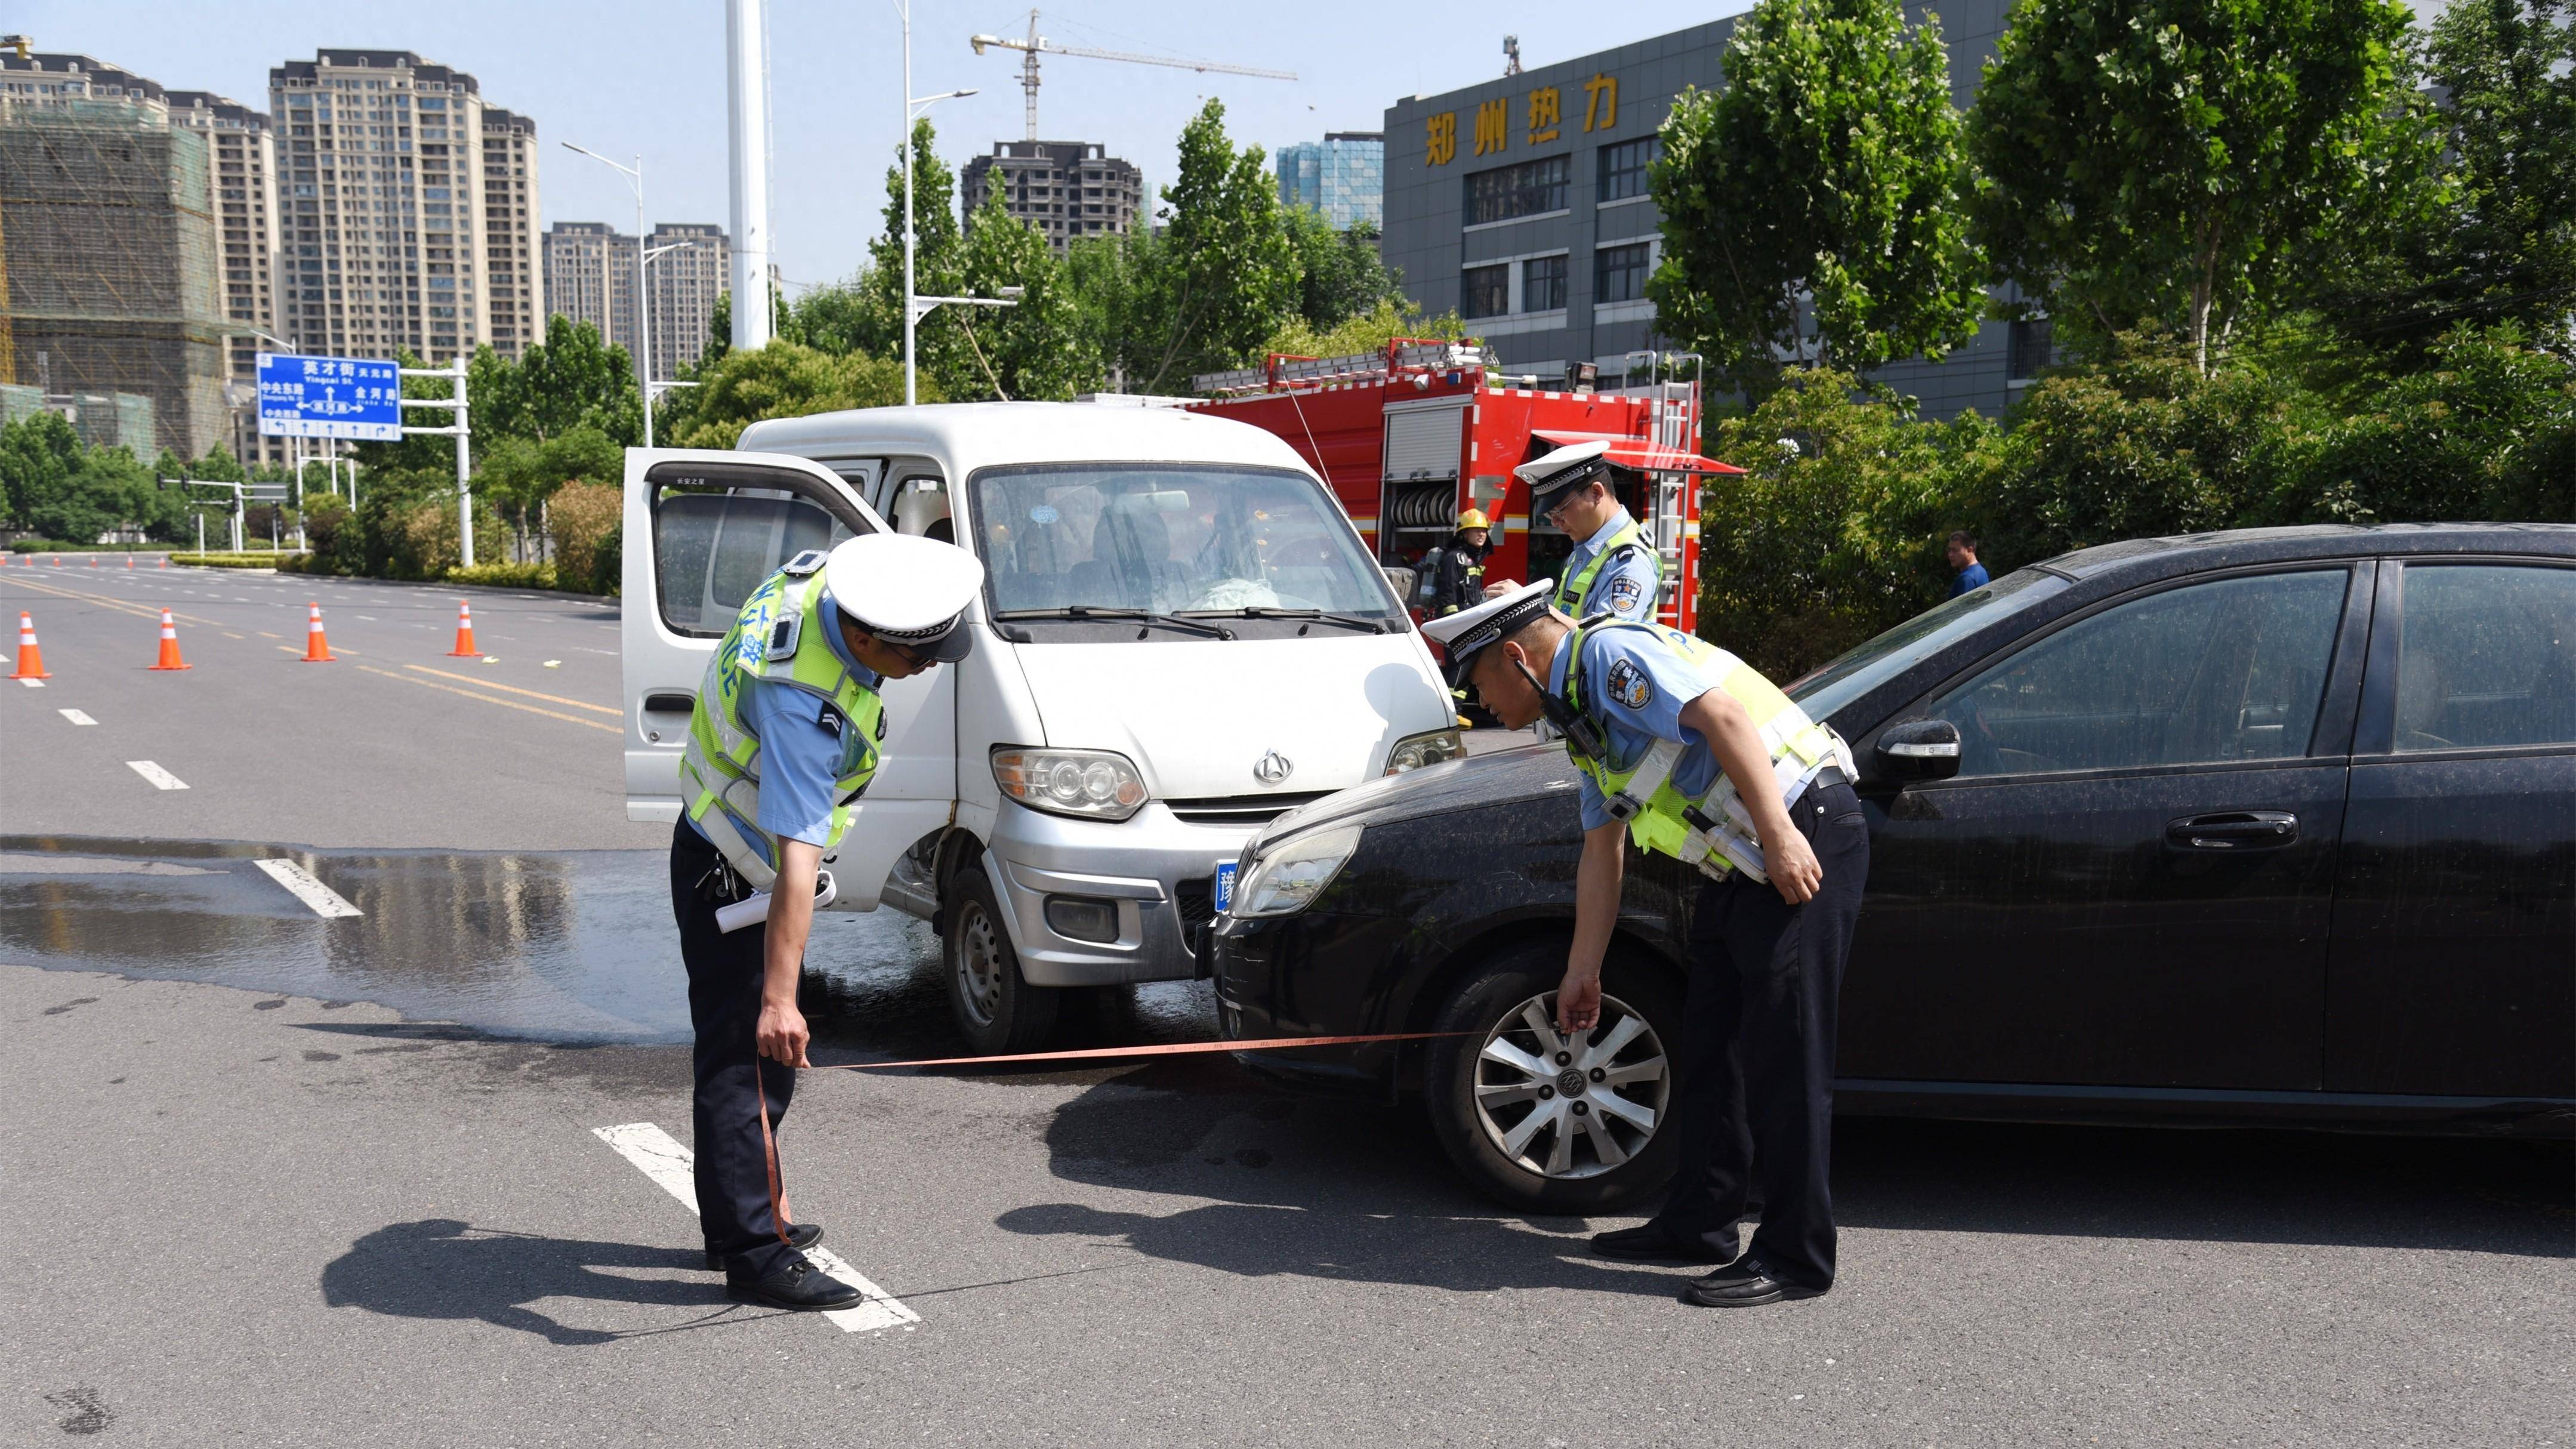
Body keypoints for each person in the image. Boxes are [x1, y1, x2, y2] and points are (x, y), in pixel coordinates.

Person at [1422, 582, 1869, 1309]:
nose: (1484, 708)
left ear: (1515, 656)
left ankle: (1795, 1256)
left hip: (1800, 831)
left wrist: (1785, 837)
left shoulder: (1609, 656)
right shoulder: (1579, 717)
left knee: (1788, 1056)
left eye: (1480, 685)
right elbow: (1603, 852)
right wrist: (1582, 972)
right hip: (1741, 865)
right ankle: (1699, 1223)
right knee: (1710, 1047)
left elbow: (1722, 716)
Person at [673, 531, 984, 1311]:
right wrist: (782, 998)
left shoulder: (821, 580)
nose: (926, 670)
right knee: (749, 1066)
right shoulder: (801, 705)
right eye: (919, 660)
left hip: (721, 839)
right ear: (868, 638)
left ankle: (739, 1218)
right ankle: (753, 1253)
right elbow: (797, 865)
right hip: (733, 871)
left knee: (749, 1065)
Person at [1521, 440, 1661, 623]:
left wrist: (1529, 607)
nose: (1555, 521)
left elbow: (1605, 642)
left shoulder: (1631, 562)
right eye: (1550, 514)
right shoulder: (1586, 548)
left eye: (1559, 510)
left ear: (1596, 493)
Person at [1426, 508, 1496, 615]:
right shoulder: (1454, 557)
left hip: (1469, 615)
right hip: (1456, 618)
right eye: (1476, 530)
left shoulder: (1474, 560)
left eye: (1484, 530)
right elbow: (1447, 591)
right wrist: (1453, 618)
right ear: (1465, 533)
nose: (1481, 534)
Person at [1946, 529, 1989, 597]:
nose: (1950, 555)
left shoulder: (1966, 579)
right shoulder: (1981, 570)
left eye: (1955, 550)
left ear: (1969, 550)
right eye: (1949, 551)